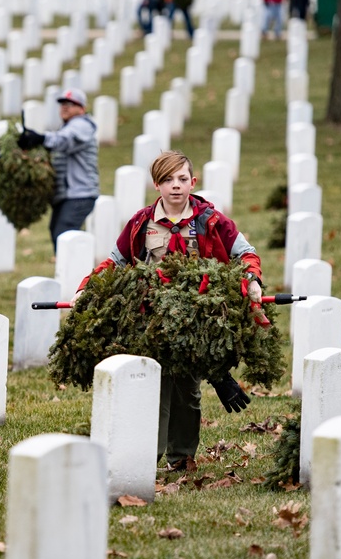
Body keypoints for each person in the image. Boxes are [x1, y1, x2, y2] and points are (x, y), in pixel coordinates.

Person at [76, 151, 264, 470]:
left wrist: (252, 279)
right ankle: (148, 456)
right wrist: (87, 286)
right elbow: (115, 261)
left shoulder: (213, 222)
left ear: (193, 182)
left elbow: (245, 253)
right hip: (151, 318)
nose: (175, 186)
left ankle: (181, 456)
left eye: (181, 179)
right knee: (154, 385)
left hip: (194, 319)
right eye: (167, 180)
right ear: (156, 185)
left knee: (186, 389)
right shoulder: (140, 222)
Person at [17, 88, 100, 251]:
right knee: (59, 232)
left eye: (71, 103)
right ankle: (75, 272)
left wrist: (40, 138)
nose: (65, 107)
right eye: (62, 103)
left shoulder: (82, 125)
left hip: (80, 194)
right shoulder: (67, 127)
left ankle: (75, 274)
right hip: (68, 195)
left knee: (64, 234)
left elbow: (64, 141)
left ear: (82, 108)